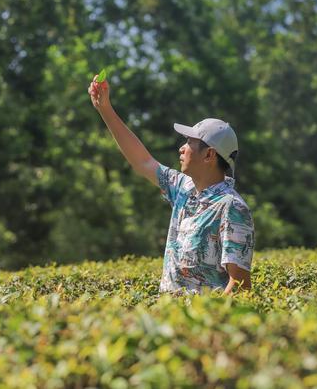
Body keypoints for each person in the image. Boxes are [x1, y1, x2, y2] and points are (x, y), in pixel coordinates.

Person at [88, 75, 254, 295]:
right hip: (170, 318)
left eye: (189, 143)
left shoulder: (232, 207)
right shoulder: (183, 187)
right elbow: (143, 161)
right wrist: (105, 109)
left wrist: (210, 322)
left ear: (209, 155)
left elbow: (240, 286)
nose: (182, 148)